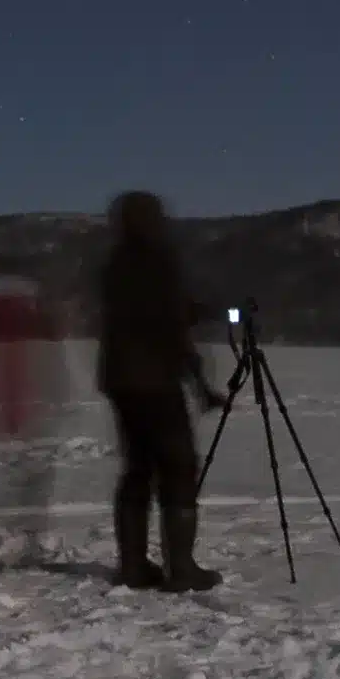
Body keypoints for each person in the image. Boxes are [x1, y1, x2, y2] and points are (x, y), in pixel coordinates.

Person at [95, 190, 225, 592]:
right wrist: (199, 381)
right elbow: (167, 324)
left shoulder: (114, 264)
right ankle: (181, 568)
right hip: (155, 380)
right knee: (177, 467)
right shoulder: (158, 262)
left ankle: (133, 565)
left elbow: (139, 313)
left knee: (137, 468)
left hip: (121, 378)